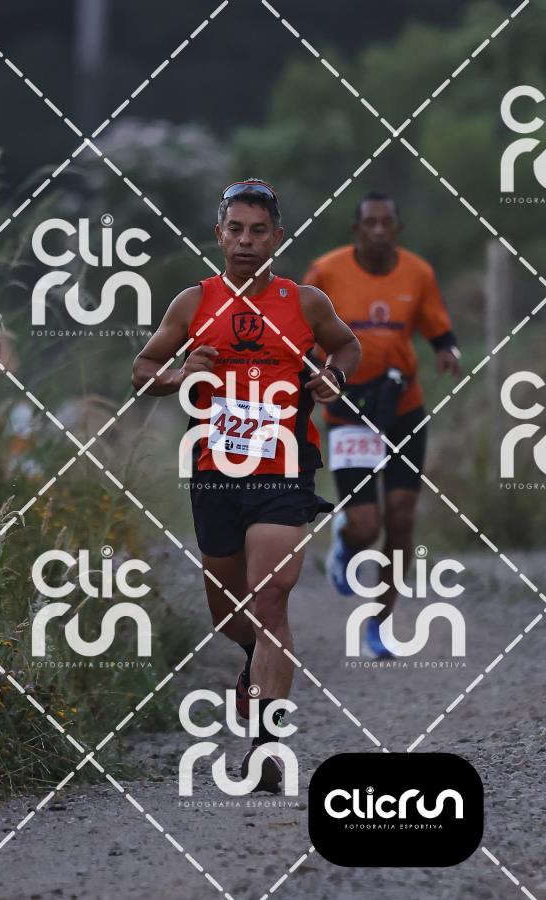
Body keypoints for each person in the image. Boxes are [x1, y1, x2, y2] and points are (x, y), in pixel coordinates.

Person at [132, 179, 361, 791]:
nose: (246, 241)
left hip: (284, 468)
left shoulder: (305, 302)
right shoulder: (193, 302)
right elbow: (142, 371)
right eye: (235, 229)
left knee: (272, 599)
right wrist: (179, 374)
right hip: (214, 474)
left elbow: (347, 346)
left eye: (259, 231)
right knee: (230, 616)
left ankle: (266, 748)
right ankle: (252, 661)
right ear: (219, 235)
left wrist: (334, 378)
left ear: (277, 239)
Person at [303, 191, 461, 658]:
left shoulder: (418, 272)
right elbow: (302, 331)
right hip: (349, 407)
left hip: (402, 407)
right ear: (356, 229)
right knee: (366, 525)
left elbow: (438, 328)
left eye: (385, 222)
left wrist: (447, 351)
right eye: (369, 222)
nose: (377, 230)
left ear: (397, 228)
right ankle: (346, 538)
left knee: (402, 517)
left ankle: (379, 622)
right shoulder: (326, 272)